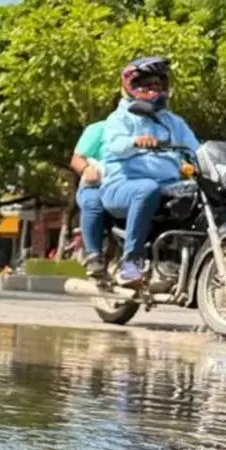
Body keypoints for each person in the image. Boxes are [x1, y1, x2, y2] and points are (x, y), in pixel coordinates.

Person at [101, 56, 200, 286]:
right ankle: (130, 263)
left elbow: (197, 150)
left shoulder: (175, 122)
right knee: (147, 188)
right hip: (121, 187)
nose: (154, 89)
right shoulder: (120, 118)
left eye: (158, 84)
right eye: (148, 85)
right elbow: (115, 145)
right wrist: (135, 141)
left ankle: (181, 261)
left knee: (206, 195)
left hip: (168, 187)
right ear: (132, 87)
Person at [71, 113, 110, 277]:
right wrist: (87, 170)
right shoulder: (100, 128)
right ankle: (94, 255)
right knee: (93, 203)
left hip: (131, 184)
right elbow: (77, 159)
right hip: (97, 186)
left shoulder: (157, 130)